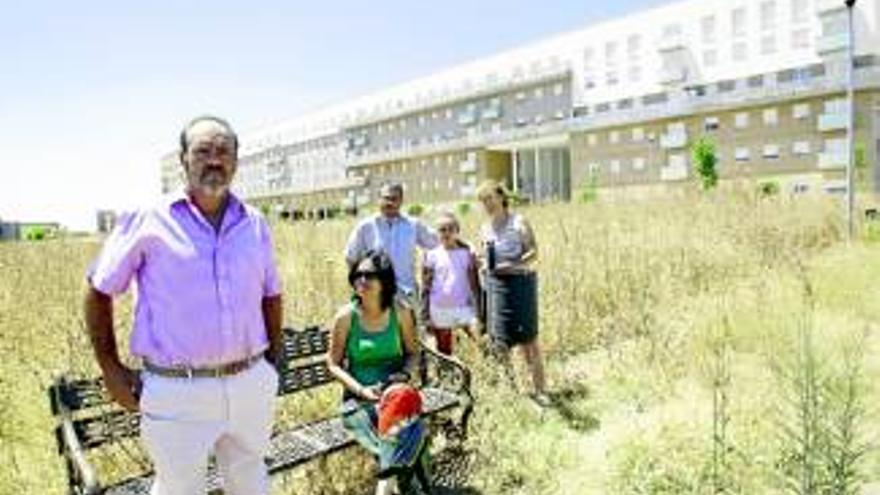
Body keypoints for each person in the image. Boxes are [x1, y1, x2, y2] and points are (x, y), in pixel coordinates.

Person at [84, 115, 283, 495]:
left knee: (252, 483)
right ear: (183, 160)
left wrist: (271, 361)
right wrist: (110, 368)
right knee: (179, 489)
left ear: (236, 161)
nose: (214, 160)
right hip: (178, 392)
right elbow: (98, 288)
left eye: (223, 151)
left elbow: (271, 294)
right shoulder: (147, 219)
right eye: (203, 151)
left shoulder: (254, 223)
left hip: (250, 385)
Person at [326, 251, 428, 495]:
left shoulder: (400, 312)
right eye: (357, 275)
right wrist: (361, 390)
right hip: (359, 399)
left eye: (369, 275)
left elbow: (413, 353)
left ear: (384, 280)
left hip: (394, 393)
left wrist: (403, 374)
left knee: (401, 403)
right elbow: (333, 364)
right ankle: (403, 481)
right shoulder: (345, 317)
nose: (361, 280)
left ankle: (387, 483)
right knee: (407, 424)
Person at [476, 180, 550, 407]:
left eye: (489, 198)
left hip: (520, 283)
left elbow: (533, 252)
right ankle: (512, 393)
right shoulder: (484, 228)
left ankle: (540, 391)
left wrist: (512, 265)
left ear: (501, 197)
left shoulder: (519, 221)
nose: (487, 204)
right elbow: (483, 256)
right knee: (500, 343)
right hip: (496, 286)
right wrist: (482, 263)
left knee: (529, 340)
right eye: (483, 200)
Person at [344, 182, 439, 307]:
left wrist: (467, 248)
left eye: (394, 199)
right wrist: (360, 286)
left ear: (401, 201)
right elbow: (351, 257)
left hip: (406, 293)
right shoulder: (365, 227)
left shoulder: (413, 225)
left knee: (409, 326)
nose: (390, 202)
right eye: (386, 198)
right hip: (375, 295)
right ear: (379, 199)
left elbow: (438, 242)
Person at [420, 212, 481, 355]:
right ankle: (447, 376)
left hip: (464, 308)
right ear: (437, 233)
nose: (446, 233)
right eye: (442, 229)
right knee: (444, 352)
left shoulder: (466, 254)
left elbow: (475, 285)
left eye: (450, 229)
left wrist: (478, 311)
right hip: (439, 310)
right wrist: (425, 316)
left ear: (457, 231)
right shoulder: (431, 255)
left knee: (479, 342)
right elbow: (425, 288)